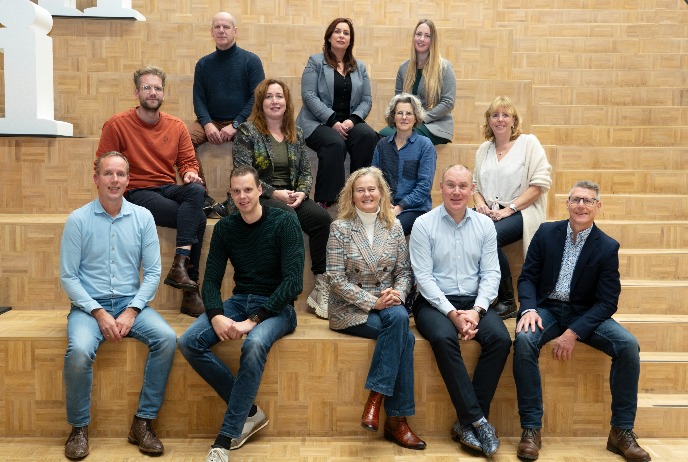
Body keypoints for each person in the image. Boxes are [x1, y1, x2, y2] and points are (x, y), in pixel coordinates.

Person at [513, 180, 650, 462]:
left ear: (598, 207)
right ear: (567, 203)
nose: (581, 205)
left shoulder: (607, 247)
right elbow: (527, 277)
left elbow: (607, 301)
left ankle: (621, 432)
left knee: (628, 345)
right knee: (524, 341)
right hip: (546, 308)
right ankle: (531, 429)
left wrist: (574, 332)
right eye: (576, 199)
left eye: (588, 201)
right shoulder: (547, 232)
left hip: (585, 314)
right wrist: (528, 309)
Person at [178, 166, 304, 462]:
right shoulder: (225, 228)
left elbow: (293, 283)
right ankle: (248, 412)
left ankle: (224, 439)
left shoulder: (284, 222)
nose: (242, 196)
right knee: (188, 342)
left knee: (254, 343)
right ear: (231, 195)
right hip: (238, 301)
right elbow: (209, 281)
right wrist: (216, 314)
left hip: (278, 307)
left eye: (248, 190)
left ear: (260, 190)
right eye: (236, 191)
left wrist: (254, 320)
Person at [61, 152, 176, 460]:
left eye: (121, 174)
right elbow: (69, 278)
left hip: (130, 303)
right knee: (79, 351)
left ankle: (143, 422)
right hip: (88, 307)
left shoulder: (143, 217)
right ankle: (79, 428)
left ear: (128, 180)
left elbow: (152, 273)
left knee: (166, 338)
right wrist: (98, 313)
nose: (114, 180)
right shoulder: (78, 220)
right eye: (108, 174)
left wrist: (132, 310)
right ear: (96, 178)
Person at [409, 164, 511, 457]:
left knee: (501, 340)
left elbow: (492, 274)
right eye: (450, 185)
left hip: (475, 302)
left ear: (472, 190)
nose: (456, 191)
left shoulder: (485, 225)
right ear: (440, 188)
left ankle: (465, 424)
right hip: (434, 303)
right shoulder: (423, 224)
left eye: (462, 186)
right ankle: (478, 420)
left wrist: (477, 311)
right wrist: (453, 314)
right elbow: (424, 278)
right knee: (443, 338)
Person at [327, 167, 426, 450]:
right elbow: (335, 279)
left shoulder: (394, 226)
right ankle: (397, 421)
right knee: (404, 337)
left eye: (372, 189)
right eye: (361, 190)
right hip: (350, 308)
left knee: (397, 317)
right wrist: (373, 302)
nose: (367, 194)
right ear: (352, 196)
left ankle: (375, 399)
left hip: (388, 303)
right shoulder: (340, 228)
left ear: (381, 193)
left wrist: (398, 292)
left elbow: (405, 272)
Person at [96, 65, 207, 317]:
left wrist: (189, 173)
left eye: (157, 88)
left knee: (196, 191)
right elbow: (102, 164)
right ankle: (190, 290)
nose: (153, 92)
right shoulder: (117, 125)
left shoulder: (176, 126)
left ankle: (180, 265)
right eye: (147, 87)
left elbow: (188, 162)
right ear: (137, 92)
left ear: (163, 94)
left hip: (167, 187)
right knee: (198, 217)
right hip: (136, 191)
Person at [232, 78, 332, 318]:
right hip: (259, 196)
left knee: (322, 219)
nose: (274, 101)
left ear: (287, 103)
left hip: (291, 195)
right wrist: (273, 192)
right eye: (269, 96)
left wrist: (303, 192)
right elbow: (243, 173)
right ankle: (289, 286)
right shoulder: (248, 131)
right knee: (288, 217)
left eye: (279, 96)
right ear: (261, 102)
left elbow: (306, 171)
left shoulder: (295, 133)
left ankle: (320, 284)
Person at [473, 96, 551, 319]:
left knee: (488, 236)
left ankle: (507, 300)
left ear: (514, 121)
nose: (500, 119)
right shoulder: (483, 149)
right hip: (490, 212)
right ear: (488, 121)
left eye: (505, 115)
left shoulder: (528, 143)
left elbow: (540, 184)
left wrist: (510, 209)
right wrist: (480, 205)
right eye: (494, 115)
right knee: (459, 225)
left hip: (523, 212)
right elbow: (475, 186)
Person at [296, 17, 379, 208]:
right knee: (335, 143)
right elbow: (308, 95)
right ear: (329, 37)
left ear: (350, 40)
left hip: (349, 121)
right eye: (337, 31)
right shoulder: (316, 61)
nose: (341, 35)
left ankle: (361, 193)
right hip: (318, 122)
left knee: (367, 135)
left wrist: (352, 120)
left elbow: (367, 101)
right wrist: (332, 120)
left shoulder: (360, 67)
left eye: (346, 33)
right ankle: (327, 200)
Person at [188, 11, 265, 211]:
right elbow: (198, 99)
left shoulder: (251, 61)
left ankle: (234, 200)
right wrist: (206, 124)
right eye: (217, 27)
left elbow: (257, 98)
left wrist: (236, 124)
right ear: (211, 31)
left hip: (243, 122)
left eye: (226, 27)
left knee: (249, 140)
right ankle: (201, 195)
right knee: (184, 139)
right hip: (211, 120)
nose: (221, 31)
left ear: (235, 31)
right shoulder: (203, 64)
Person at [380, 19, 456, 145]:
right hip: (408, 122)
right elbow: (398, 100)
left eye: (427, 36)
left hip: (436, 125)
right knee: (382, 136)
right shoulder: (404, 68)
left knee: (404, 137)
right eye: (419, 34)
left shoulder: (445, 68)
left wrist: (420, 118)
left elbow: (448, 103)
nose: (421, 39)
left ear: (433, 41)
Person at [373, 93, 436, 236]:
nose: (404, 117)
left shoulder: (425, 146)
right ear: (393, 117)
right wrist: (384, 203)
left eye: (409, 113)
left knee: (392, 229)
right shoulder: (382, 145)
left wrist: (400, 207)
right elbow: (374, 180)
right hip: (385, 205)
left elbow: (424, 186)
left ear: (416, 118)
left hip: (415, 209)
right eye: (399, 113)